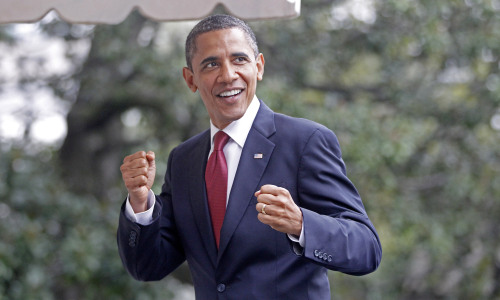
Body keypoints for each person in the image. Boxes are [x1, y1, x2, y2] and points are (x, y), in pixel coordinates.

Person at [117, 14, 382, 299]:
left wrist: (302, 224)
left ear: (259, 67)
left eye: (239, 60)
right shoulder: (184, 160)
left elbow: (366, 249)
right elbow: (147, 267)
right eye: (211, 64)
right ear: (190, 79)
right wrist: (140, 203)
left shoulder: (305, 142)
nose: (228, 75)